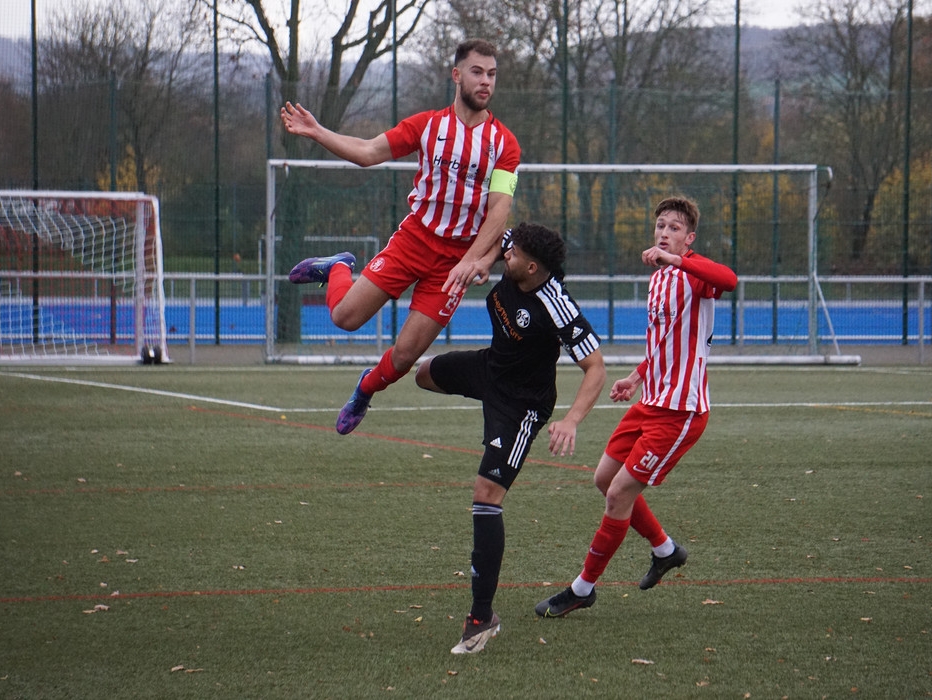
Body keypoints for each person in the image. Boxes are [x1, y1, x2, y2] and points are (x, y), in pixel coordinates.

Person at [280, 38, 521, 435]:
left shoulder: (504, 143)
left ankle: (365, 389)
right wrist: (318, 132)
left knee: (406, 356)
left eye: (492, 74)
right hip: (414, 241)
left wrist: (471, 261)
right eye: (477, 72)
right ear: (456, 75)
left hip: (454, 262)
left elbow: (499, 210)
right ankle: (338, 267)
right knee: (344, 317)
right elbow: (367, 152)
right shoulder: (428, 126)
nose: (486, 82)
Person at [533, 196, 737, 619]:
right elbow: (664, 341)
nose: (664, 232)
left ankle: (582, 589)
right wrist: (636, 376)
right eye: (661, 225)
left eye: (675, 228)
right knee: (604, 479)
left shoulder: (693, 273)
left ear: (689, 238)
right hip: (650, 402)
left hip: (680, 411)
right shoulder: (658, 278)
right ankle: (665, 550)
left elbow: (730, 279)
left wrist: (677, 260)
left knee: (619, 494)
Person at [415, 222, 606, 654]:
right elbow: (493, 235)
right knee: (423, 373)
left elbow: (596, 368)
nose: (506, 255)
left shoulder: (557, 305)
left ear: (533, 267)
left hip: (521, 405)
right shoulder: (512, 252)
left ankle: (481, 618)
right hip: (491, 369)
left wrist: (572, 420)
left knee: (486, 495)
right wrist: (481, 261)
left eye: (513, 255)